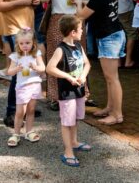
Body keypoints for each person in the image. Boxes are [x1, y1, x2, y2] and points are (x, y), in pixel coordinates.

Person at [39, 0, 93, 109]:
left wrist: (79, 1)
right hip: (57, 22)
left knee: (77, 58)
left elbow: (91, 0)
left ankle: (82, 92)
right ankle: (55, 97)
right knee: (57, 58)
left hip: (76, 21)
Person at [76, 0, 125, 125]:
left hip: (109, 37)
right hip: (114, 35)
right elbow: (94, 5)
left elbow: (81, 15)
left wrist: (77, 3)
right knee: (110, 78)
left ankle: (117, 115)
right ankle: (110, 108)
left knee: (112, 78)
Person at [45, 15, 92, 168]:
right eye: (80, 29)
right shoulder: (61, 49)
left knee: (75, 118)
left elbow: (87, 64)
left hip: (78, 90)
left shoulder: (79, 46)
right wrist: (68, 77)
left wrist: (83, 76)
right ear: (72, 32)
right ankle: (68, 152)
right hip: (67, 93)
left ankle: (74, 141)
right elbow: (50, 68)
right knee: (67, 122)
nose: (82, 32)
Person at [5, 28, 45, 147]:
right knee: (19, 112)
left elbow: (43, 68)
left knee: (31, 110)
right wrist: (16, 69)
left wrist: (35, 67)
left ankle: (29, 131)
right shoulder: (15, 56)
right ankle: (16, 134)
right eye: (21, 43)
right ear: (17, 44)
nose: (25, 46)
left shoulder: (36, 54)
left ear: (33, 43)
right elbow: (9, 72)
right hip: (22, 87)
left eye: (27, 43)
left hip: (35, 85)